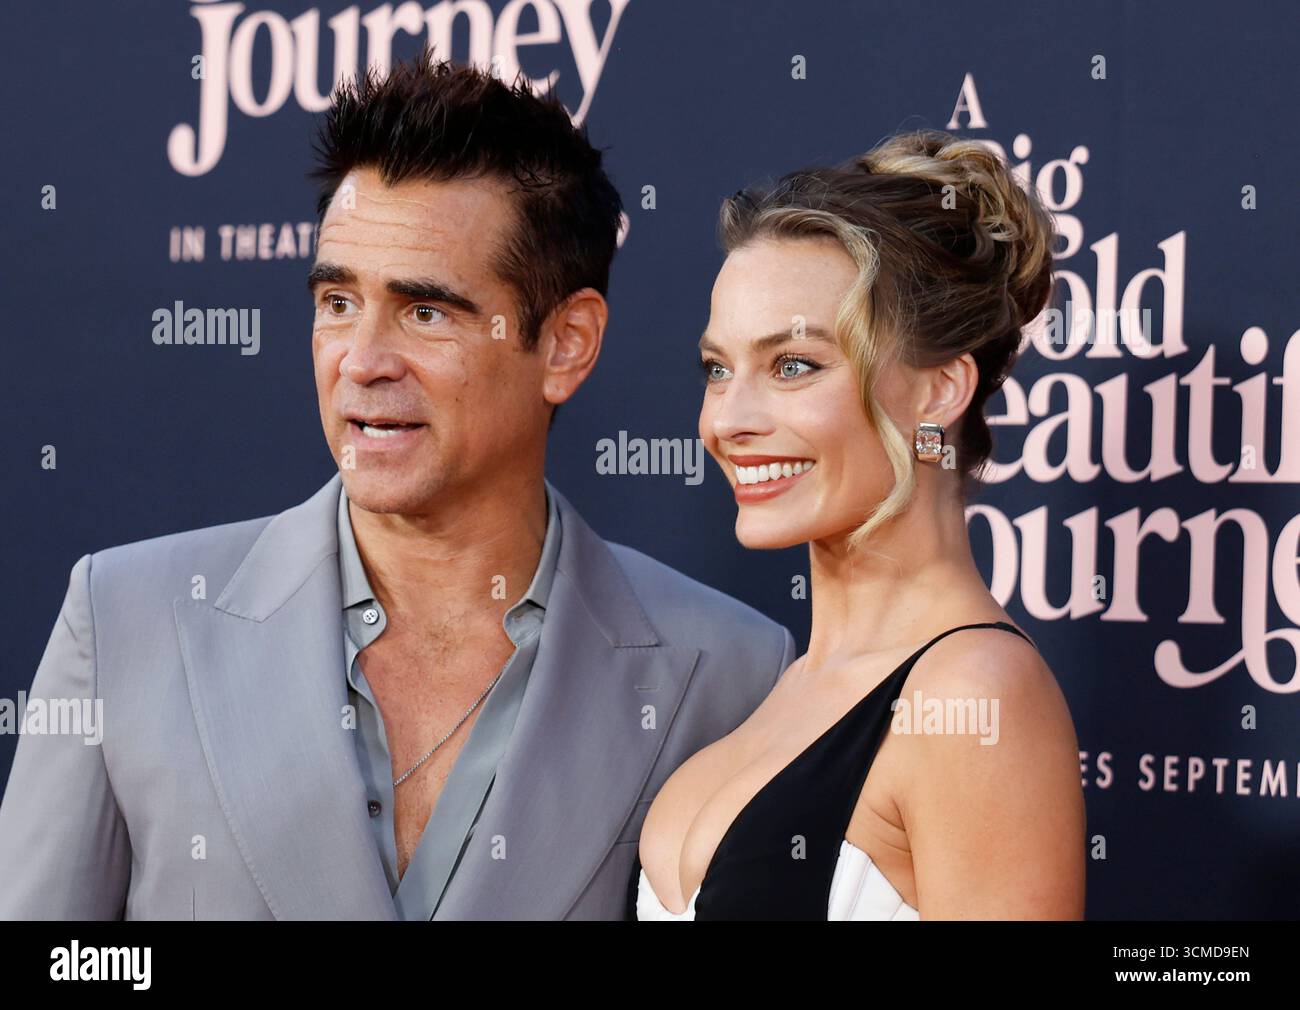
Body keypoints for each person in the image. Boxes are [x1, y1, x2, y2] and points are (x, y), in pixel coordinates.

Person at [0, 51, 796, 921]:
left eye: (426, 312)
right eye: (338, 302)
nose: (364, 362)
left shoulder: (730, 673)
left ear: (566, 343)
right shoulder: (123, 622)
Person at [636, 129, 1087, 920]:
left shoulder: (975, 696)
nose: (727, 420)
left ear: (940, 392)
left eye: (794, 366)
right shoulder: (780, 682)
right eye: (717, 369)